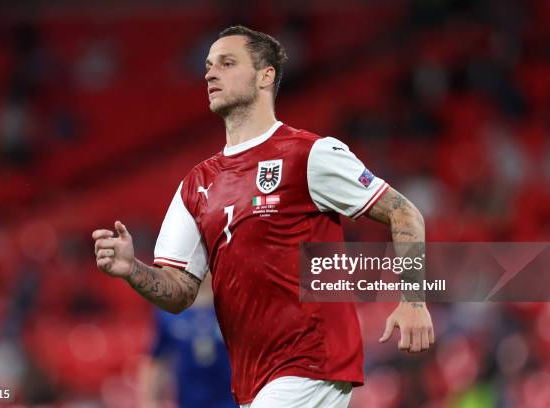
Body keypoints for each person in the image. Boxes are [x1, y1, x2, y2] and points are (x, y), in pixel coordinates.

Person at [92, 25, 433, 408]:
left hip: (311, 362)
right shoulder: (196, 185)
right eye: (208, 65)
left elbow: (404, 212)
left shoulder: (309, 154)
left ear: (265, 75)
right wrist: (131, 269)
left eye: (227, 63)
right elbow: (179, 292)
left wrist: (414, 301)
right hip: (254, 381)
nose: (210, 73)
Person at [140, 276, 236, 408]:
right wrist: (151, 401)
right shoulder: (169, 311)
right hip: (189, 401)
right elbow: (158, 359)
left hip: (231, 401)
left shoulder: (233, 306)